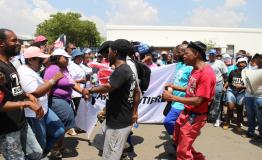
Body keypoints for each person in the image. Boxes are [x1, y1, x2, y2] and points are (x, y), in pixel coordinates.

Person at [86, 39, 140, 160]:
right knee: (110, 150)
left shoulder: (122, 70)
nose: (107, 55)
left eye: (108, 51)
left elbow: (109, 87)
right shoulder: (125, 69)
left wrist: (89, 90)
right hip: (120, 118)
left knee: (111, 155)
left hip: (118, 121)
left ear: (114, 52)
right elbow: (132, 91)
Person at [162, 41, 216, 160]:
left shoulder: (206, 73)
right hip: (186, 113)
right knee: (178, 140)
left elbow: (198, 100)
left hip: (195, 117)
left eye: (186, 53)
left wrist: (172, 97)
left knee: (182, 151)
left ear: (196, 54)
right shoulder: (194, 69)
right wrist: (177, 87)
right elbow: (192, 88)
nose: (183, 56)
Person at [0, 28, 44, 160]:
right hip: (7, 129)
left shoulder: (10, 63)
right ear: (1, 43)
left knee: (36, 153)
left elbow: (15, 89)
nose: (18, 43)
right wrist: (27, 104)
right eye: (14, 40)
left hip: (21, 122)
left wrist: (27, 95)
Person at [18, 46, 65, 156]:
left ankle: (42, 154)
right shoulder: (24, 72)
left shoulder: (32, 70)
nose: (42, 62)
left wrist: (46, 83)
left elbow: (41, 84)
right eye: (39, 60)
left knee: (59, 131)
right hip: (34, 114)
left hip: (44, 109)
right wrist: (53, 80)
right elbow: (36, 93)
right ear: (30, 60)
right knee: (40, 143)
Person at [43, 48, 88, 156]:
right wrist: (44, 105)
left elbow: (72, 83)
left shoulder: (65, 69)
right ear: (58, 58)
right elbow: (46, 86)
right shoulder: (52, 69)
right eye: (65, 58)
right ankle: (52, 148)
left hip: (66, 99)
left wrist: (83, 91)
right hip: (55, 100)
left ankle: (59, 147)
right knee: (64, 121)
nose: (68, 60)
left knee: (62, 125)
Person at [163, 44, 193, 135]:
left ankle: (178, 138)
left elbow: (191, 88)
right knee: (169, 117)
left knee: (168, 121)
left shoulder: (191, 68)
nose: (176, 53)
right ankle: (178, 138)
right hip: (174, 100)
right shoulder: (180, 64)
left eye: (179, 52)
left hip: (182, 102)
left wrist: (174, 87)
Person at [223, 58, 247, 131]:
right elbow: (228, 81)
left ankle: (238, 125)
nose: (242, 64)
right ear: (237, 64)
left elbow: (249, 85)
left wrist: (242, 86)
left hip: (241, 92)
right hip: (231, 91)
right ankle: (227, 122)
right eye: (240, 63)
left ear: (246, 64)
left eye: (244, 63)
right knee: (230, 107)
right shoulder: (233, 72)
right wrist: (224, 87)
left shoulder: (247, 73)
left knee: (240, 108)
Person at [207, 49, 228, 127]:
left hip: (218, 85)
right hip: (208, 86)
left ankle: (217, 119)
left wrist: (225, 86)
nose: (212, 55)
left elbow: (226, 76)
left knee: (217, 102)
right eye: (210, 54)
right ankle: (209, 117)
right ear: (208, 55)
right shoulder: (206, 64)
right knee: (207, 102)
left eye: (213, 54)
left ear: (215, 55)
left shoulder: (220, 63)